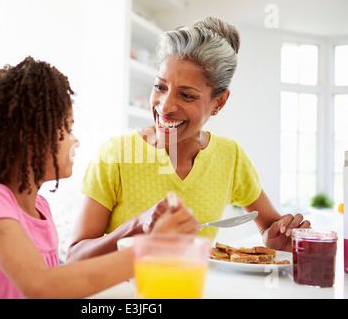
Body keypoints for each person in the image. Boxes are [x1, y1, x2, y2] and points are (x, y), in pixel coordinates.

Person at [0, 56, 200, 299]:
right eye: (67, 128)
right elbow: (41, 286)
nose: (75, 140)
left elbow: (61, 283)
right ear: (30, 139)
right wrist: (151, 248)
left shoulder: (40, 208)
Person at [67, 17, 310, 263]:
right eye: (160, 87)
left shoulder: (230, 156)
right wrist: (137, 225)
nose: (165, 106)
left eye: (186, 95)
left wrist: (276, 239)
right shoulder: (116, 154)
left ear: (219, 102)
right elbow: (75, 256)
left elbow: (269, 227)